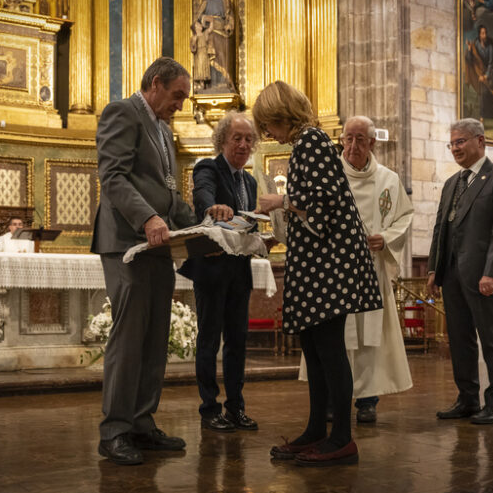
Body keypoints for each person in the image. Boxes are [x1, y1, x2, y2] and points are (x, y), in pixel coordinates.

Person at [256, 81, 382, 467]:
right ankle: (315, 430)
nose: (268, 134)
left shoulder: (311, 141)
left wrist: (281, 200)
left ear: (281, 115)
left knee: (329, 349)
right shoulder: (307, 143)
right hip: (318, 262)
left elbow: (324, 200)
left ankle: (341, 438)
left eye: (268, 124)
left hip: (330, 263)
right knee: (313, 348)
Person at [91, 56, 198, 465]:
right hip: (127, 242)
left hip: (158, 245)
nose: (180, 105)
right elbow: (113, 176)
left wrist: (204, 221)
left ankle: (141, 423)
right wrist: (147, 217)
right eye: (177, 95)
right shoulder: (123, 112)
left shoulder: (163, 130)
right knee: (130, 336)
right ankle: (114, 431)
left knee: (154, 338)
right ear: (155, 84)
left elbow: (168, 194)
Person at [427, 118, 493, 425]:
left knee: (492, 339)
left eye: (460, 142)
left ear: (480, 141)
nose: (455, 148)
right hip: (452, 275)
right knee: (459, 339)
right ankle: (467, 399)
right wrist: (434, 269)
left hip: (483, 277)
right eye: (452, 143)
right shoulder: (451, 184)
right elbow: (440, 228)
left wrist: (491, 272)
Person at [179, 111, 259, 433]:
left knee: (238, 341)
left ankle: (236, 407)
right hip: (211, 269)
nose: (243, 145)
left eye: (248, 139)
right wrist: (212, 207)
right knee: (210, 340)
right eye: (236, 138)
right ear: (222, 141)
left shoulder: (250, 181)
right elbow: (203, 196)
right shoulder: (208, 168)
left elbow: (249, 222)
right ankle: (209, 408)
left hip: (240, 271)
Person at [337, 116, 415, 423]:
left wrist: (386, 238)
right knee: (336, 336)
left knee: (370, 336)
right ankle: (333, 398)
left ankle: (367, 401)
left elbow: (404, 217)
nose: (353, 145)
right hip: (335, 271)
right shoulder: (330, 176)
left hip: (371, 269)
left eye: (360, 139)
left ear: (372, 143)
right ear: (341, 140)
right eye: (349, 138)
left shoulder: (388, 180)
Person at [194, 0, 235, 92]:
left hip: (221, 32)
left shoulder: (224, 0)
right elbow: (197, 19)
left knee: (222, 57)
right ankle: (212, 84)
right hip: (210, 33)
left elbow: (229, 15)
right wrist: (205, 18)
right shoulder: (206, 2)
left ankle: (224, 83)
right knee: (211, 57)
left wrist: (229, 25)